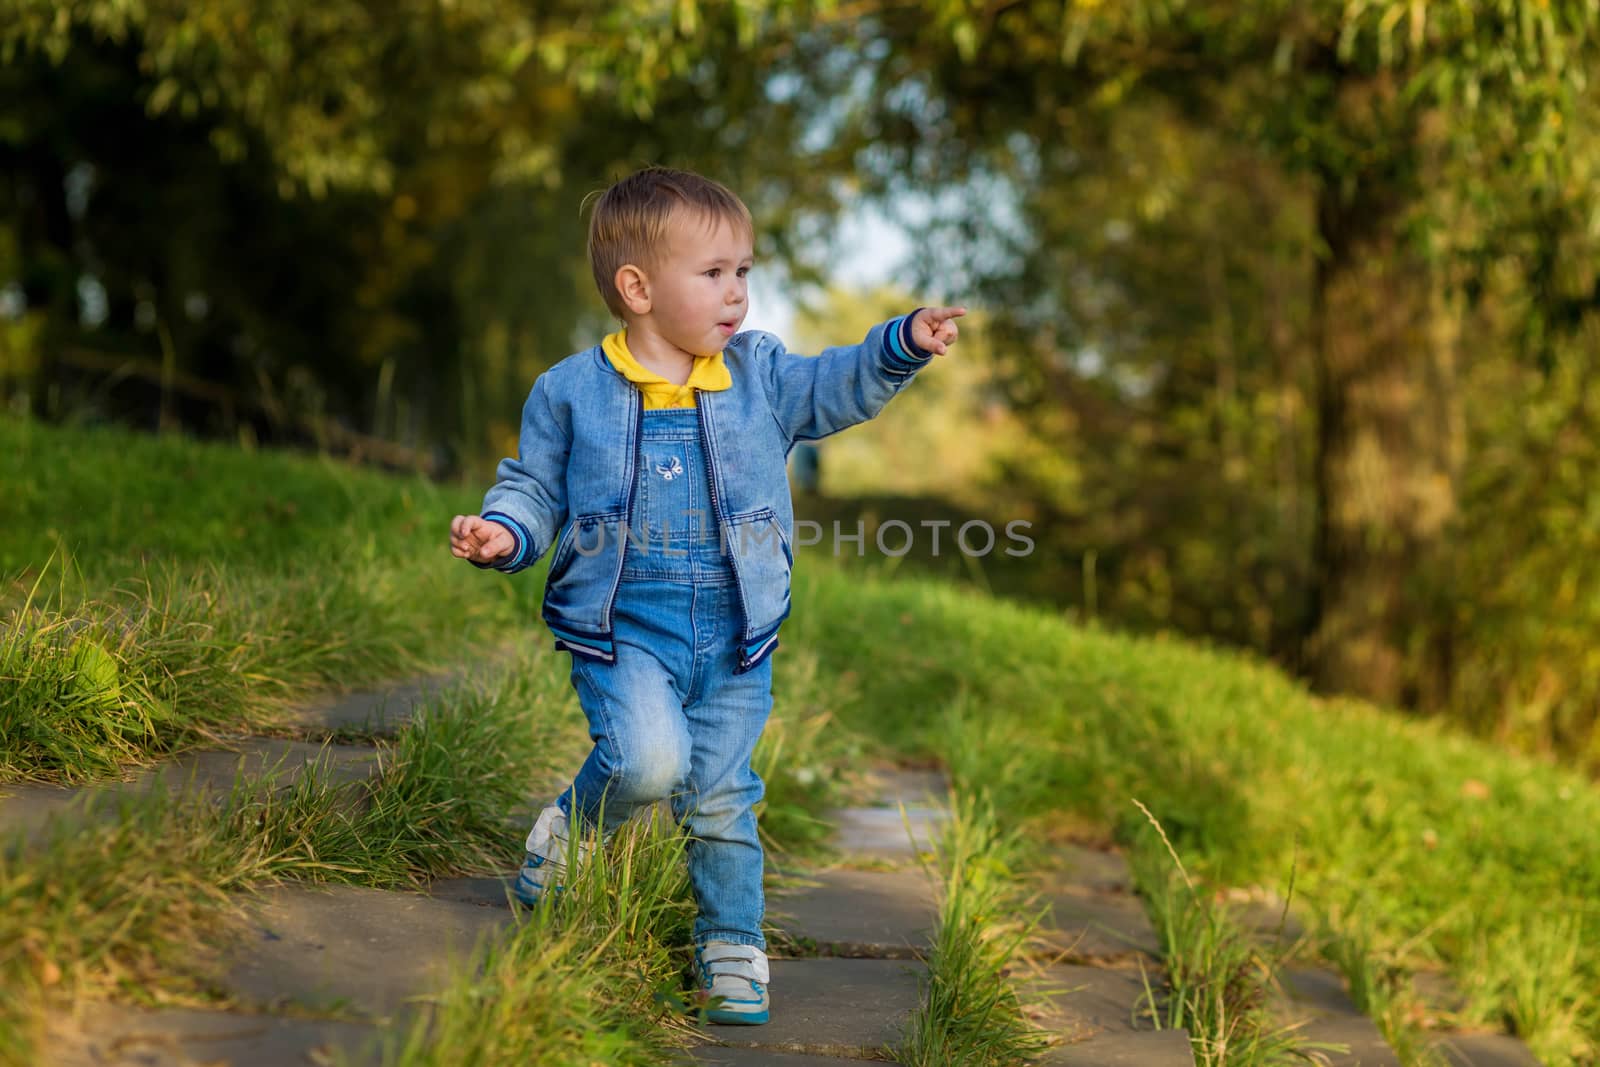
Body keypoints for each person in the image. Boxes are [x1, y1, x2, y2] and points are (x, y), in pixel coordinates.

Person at [448, 166, 963, 1026]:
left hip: (735, 635)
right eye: (716, 273)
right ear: (638, 288)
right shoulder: (571, 390)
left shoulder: (760, 375)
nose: (737, 294)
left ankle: (729, 939)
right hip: (623, 625)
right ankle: (573, 829)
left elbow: (836, 383)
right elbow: (533, 487)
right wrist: (507, 531)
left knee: (722, 794)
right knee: (648, 763)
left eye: (744, 273)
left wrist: (899, 343)